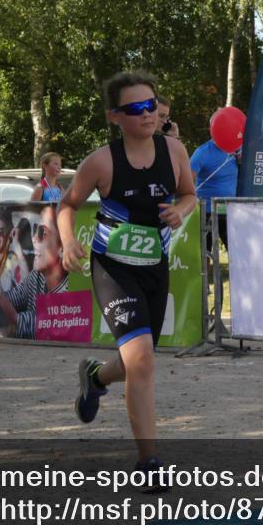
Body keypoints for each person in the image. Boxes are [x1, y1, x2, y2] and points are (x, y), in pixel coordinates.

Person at [57, 70, 197, 486]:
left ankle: (95, 377)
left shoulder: (174, 150)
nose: (148, 114)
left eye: (151, 105)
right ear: (114, 117)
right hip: (113, 268)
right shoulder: (101, 161)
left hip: (154, 265)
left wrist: (180, 211)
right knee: (142, 360)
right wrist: (68, 241)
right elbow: (68, 205)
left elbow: (189, 194)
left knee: (139, 358)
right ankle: (149, 462)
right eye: (136, 108)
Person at [0, 204, 68, 338]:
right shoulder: (37, 277)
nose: (34, 238)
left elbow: (18, 321)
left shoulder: (68, 293)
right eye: (35, 230)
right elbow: (11, 299)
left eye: (42, 232)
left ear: (62, 248)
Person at [190, 123, 239, 252]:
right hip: (207, 211)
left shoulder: (236, 148)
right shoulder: (202, 152)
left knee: (236, 252)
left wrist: (242, 160)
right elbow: (187, 179)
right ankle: (206, 266)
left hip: (230, 211)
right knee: (204, 253)